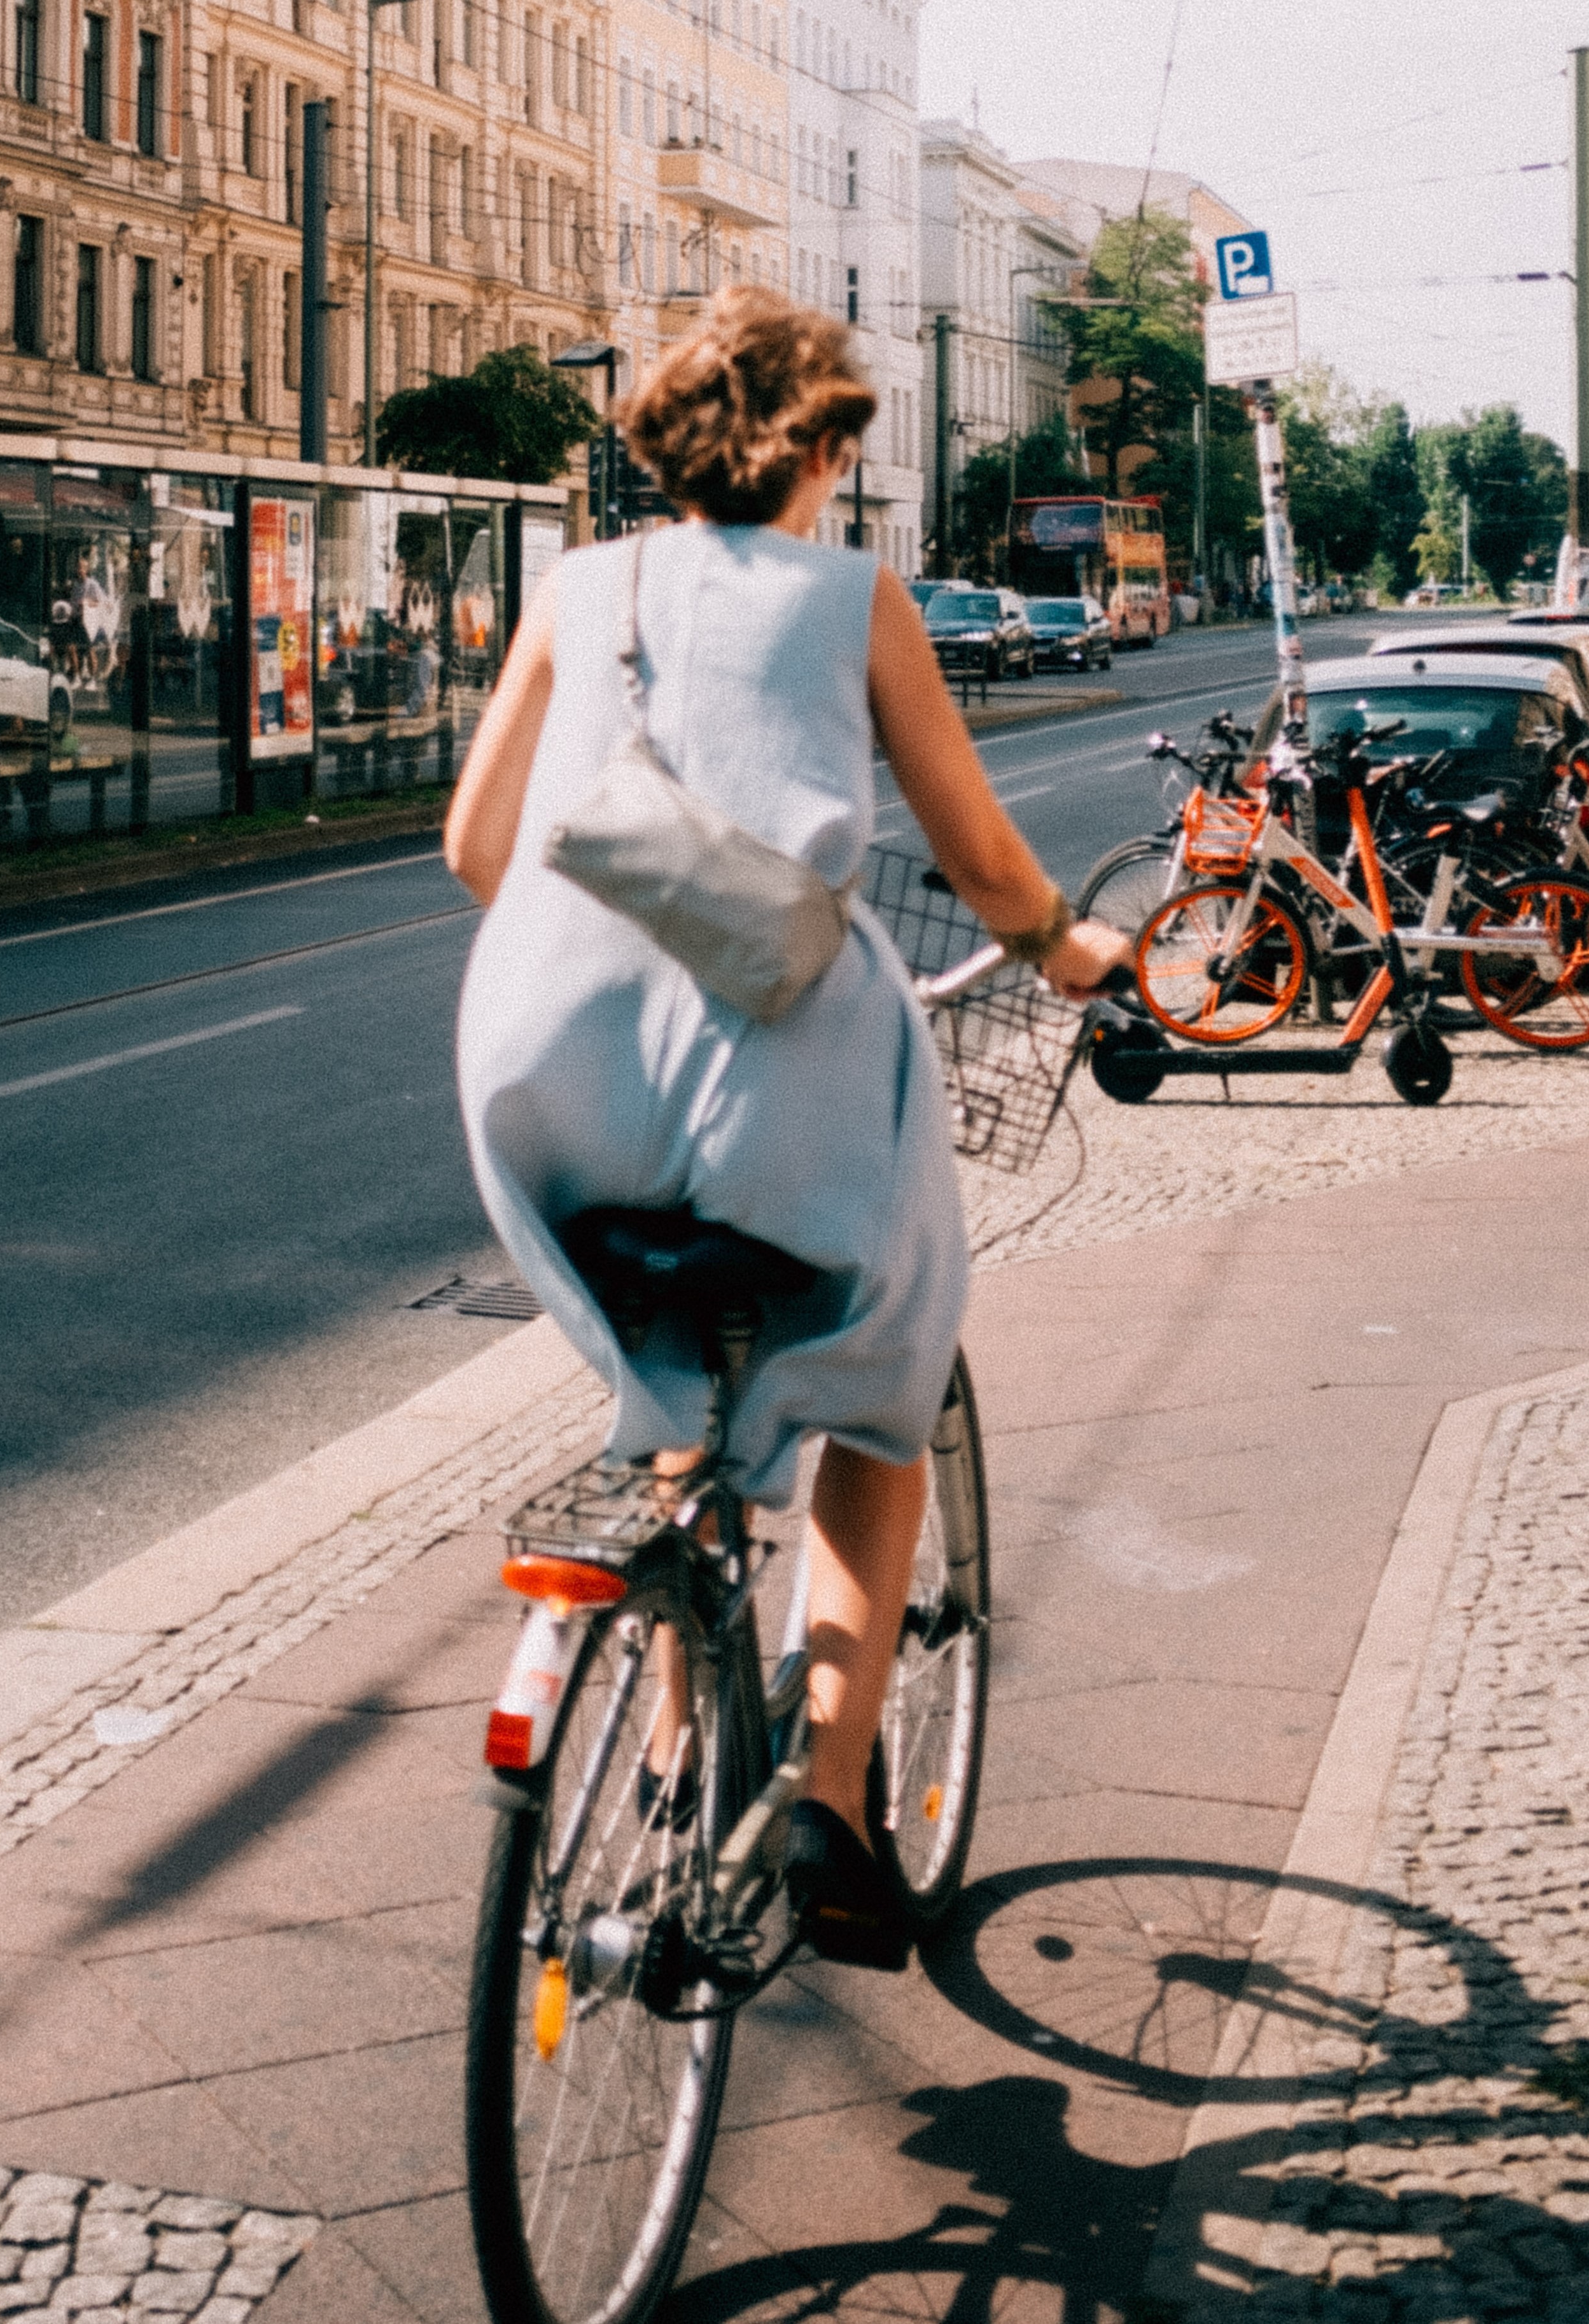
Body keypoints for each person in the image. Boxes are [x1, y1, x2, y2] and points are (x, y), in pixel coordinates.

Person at [445, 289, 1128, 1971]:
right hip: (778, 1079)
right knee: (890, 1374)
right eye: (844, 446)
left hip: (540, 1077)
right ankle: (828, 1784)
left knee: (679, 1378)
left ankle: (681, 1758)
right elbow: (978, 861)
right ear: (821, 450)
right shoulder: (858, 600)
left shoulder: (575, 591)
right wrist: (1067, 947)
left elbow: (476, 841)